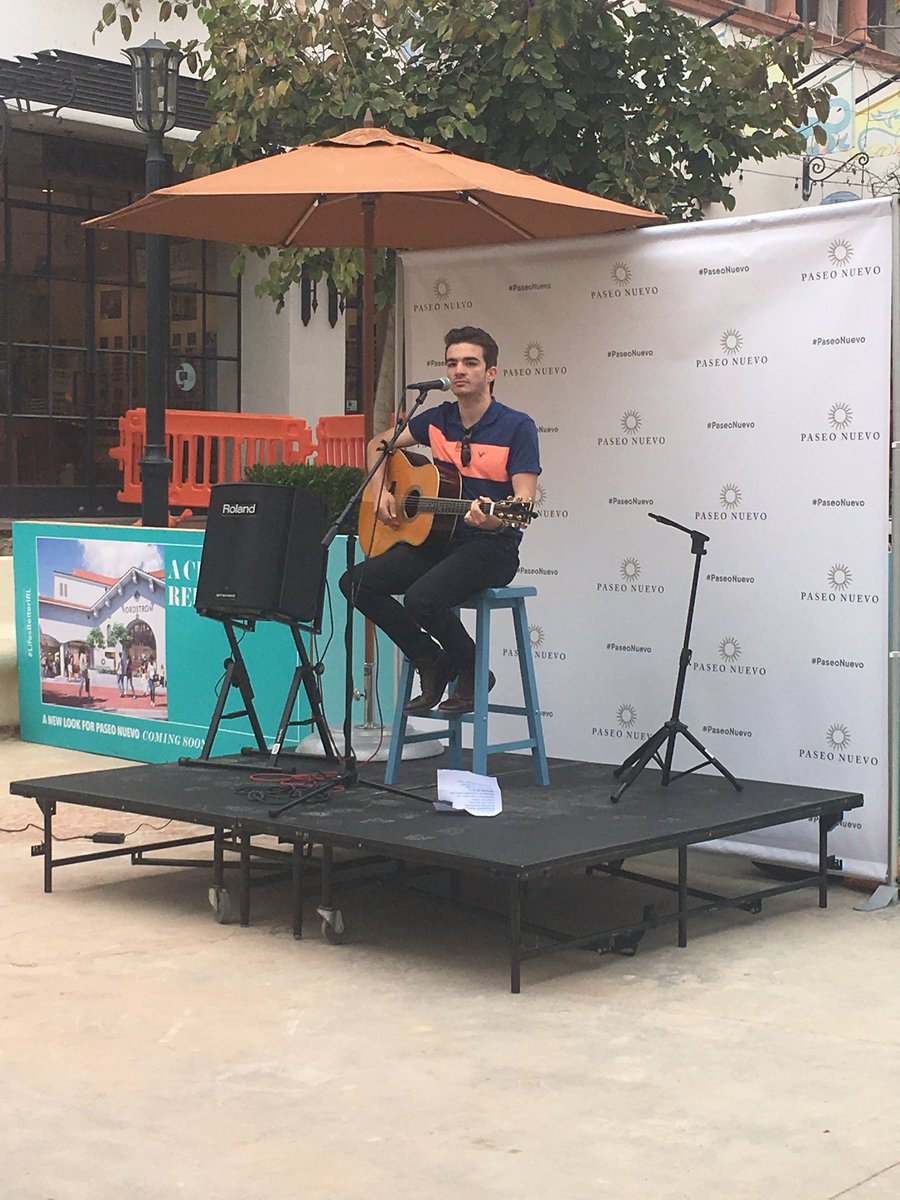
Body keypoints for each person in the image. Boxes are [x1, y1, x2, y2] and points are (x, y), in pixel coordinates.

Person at [340, 326, 540, 715]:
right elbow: (377, 444)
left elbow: (524, 501)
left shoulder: (517, 426)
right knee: (356, 582)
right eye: (452, 363)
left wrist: (495, 520)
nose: (459, 370)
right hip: (440, 540)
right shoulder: (436, 419)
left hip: (491, 546)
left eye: (470, 362)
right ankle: (430, 660)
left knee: (422, 598)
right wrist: (379, 491)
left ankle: (473, 669)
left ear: (491, 372)